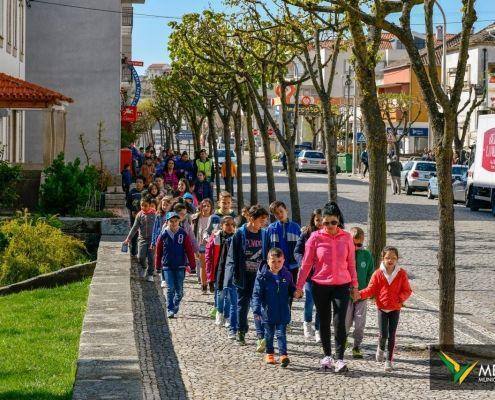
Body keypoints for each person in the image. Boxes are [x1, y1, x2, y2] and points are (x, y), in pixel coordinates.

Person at [294, 202, 357, 373]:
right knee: (323, 320)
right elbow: (306, 264)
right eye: (325, 222)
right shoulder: (315, 237)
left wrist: (355, 286)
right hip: (320, 285)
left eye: (333, 222)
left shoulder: (347, 237)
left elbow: (351, 264)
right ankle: (327, 355)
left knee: (339, 322)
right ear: (321, 222)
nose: (329, 226)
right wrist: (299, 286)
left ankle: (340, 358)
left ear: (339, 221)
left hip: (342, 285)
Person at [354, 246, 412, 371]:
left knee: (392, 335)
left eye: (393, 258)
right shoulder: (378, 274)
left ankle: (389, 361)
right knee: (383, 334)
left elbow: (407, 290)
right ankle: (380, 348)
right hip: (382, 308)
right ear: (383, 258)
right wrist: (360, 294)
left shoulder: (401, 273)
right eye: (387, 258)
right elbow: (371, 289)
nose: (390, 260)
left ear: (397, 259)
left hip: (395, 308)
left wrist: (400, 299)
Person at [225, 205, 269, 348]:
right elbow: (232, 257)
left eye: (265, 220)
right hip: (243, 277)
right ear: (251, 218)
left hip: (259, 278)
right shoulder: (240, 234)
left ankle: (260, 335)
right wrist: (231, 276)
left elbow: (267, 255)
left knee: (259, 306)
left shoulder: (264, 234)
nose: (264, 223)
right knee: (242, 306)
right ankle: (241, 331)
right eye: (261, 220)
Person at [252, 248, 295, 368]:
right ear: (268, 261)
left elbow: (291, 288)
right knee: (269, 334)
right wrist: (256, 309)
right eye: (273, 261)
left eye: (279, 261)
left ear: (283, 261)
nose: (276, 265)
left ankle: (283, 355)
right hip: (268, 312)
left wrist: (296, 292)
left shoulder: (287, 274)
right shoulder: (262, 276)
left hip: (282, 311)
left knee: (281, 333)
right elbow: (256, 294)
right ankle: (269, 353)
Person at [154, 211, 196, 318]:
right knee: (170, 288)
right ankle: (170, 309)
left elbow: (189, 250)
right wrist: (157, 266)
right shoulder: (163, 235)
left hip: (180, 266)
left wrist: (193, 265)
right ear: (167, 222)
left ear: (179, 222)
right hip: (167, 265)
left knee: (179, 291)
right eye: (171, 221)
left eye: (176, 221)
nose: (174, 223)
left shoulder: (183, 234)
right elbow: (158, 252)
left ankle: (176, 303)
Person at [344, 227, 374, 359]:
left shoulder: (366, 255)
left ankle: (357, 346)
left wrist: (367, 292)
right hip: (346, 295)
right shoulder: (345, 254)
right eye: (353, 244)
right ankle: (343, 339)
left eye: (359, 244)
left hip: (361, 295)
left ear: (363, 241)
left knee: (360, 322)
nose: (356, 247)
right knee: (345, 321)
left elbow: (370, 275)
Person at [294, 208, 322, 343]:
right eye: (317, 220)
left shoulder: (328, 234)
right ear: (313, 220)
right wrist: (303, 262)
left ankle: (318, 329)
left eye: (323, 220)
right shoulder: (306, 234)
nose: (320, 223)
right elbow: (297, 251)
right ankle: (307, 323)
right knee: (310, 301)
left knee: (321, 304)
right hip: (310, 275)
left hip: (323, 275)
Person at [205, 216, 236, 329]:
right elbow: (208, 256)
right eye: (227, 224)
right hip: (219, 269)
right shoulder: (216, 237)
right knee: (220, 294)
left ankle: (227, 316)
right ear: (222, 225)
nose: (230, 227)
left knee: (228, 295)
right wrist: (209, 275)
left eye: (232, 225)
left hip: (231, 270)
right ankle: (219, 312)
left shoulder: (236, 238)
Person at [266, 201, 301, 287]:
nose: (279, 215)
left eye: (281, 211)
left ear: (286, 210)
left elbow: (300, 247)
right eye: (276, 213)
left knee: (290, 290)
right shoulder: (271, 228)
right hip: (275, 266)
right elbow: (267, 247)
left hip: (292, 266)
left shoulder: (295, 227)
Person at [124, 196, 156, 282]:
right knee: (140, 257)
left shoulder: (155, 214)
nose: (143, 207)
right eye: (142, 205)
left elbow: (159, 227)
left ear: (150, 205)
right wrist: (128, 239)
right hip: (142, 239)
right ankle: (144, 267)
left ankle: (150, 274)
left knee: (151, 258)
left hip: (152, 240)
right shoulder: (139, 215)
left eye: (145, 205)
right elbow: (134, 228)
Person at [192, 198, 214, 294]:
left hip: (212, 244)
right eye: (204, 206)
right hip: (200, 244)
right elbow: (193, 232)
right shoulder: (196, 218)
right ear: (201, 207)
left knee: (212, 265)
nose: (206, 208)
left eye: (208, 206)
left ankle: (211, 283)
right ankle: (204, 285)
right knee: (202, 266)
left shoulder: (214, 218)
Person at [126, 176, 145, 256]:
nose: (138, 184)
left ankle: (143, 252)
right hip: (134, 216)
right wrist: (133, 210)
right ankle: (134, 252)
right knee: (134, 233)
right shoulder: (132, 192)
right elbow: (127, 204)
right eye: (137, 182)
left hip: (144, 216)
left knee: (143, 234)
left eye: (140, 182)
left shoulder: (145, 193)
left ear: (143, 184)